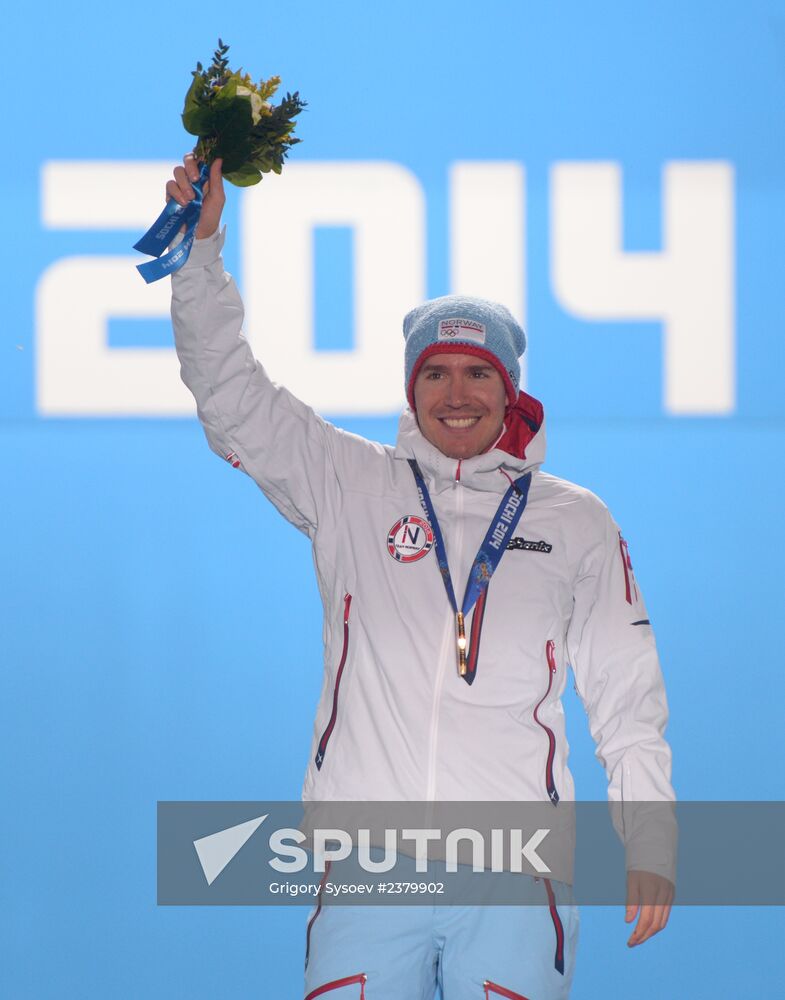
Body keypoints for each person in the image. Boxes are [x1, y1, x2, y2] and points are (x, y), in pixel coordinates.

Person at [167, 155, 675, 1000]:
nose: (456, 393)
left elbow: (627, 692)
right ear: (411, 390)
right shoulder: (346, 480)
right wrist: (201, 249)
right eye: (434, 372)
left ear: (510, 391)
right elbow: (228, 390)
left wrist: (650, 838)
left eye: (479, 373)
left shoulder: (574, 519)